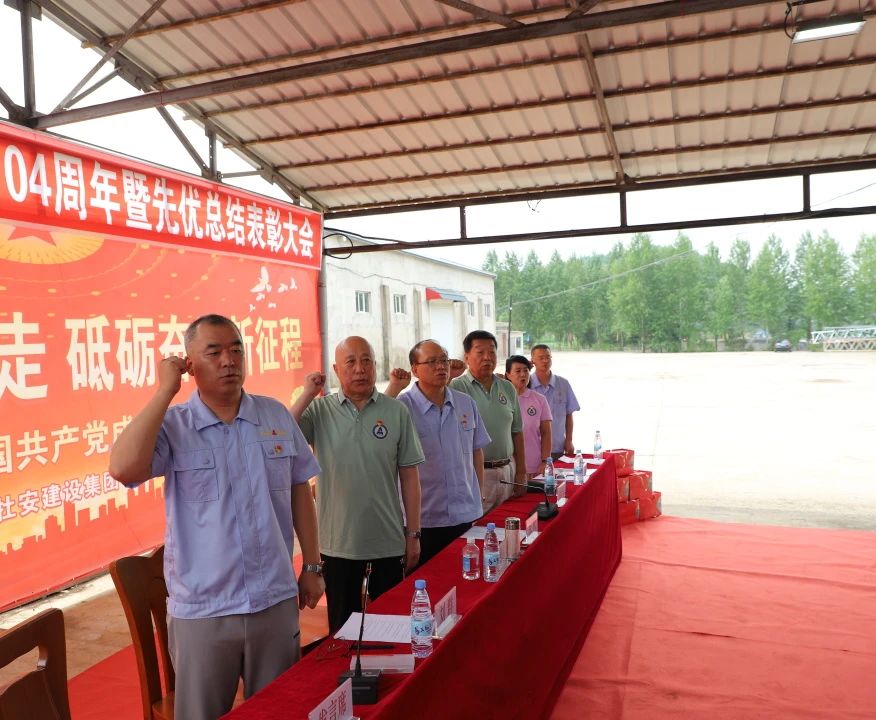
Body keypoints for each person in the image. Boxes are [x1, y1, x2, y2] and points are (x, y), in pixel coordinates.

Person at [108, 314, 323, 720]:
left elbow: (299, 488)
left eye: (236, 349)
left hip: (274, 600)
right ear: (189, 364)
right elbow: (123, 468)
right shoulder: (174, 425)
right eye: (214, 352)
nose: (229, 360)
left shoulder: (275, 416)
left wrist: (312, 565)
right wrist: (164, 390)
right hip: (205, 610)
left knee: (278, 711)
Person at [291, 336, 424, 633]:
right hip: (337, 544)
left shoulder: (396, 411)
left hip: (388, 540)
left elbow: (410, 476)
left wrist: (413, 533)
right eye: (350, 362)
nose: (360, 369)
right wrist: (308, 394)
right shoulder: (320, 411)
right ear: (336, 370)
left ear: (375, 365)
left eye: (366, 361)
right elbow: (281, 434)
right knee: (342, 631)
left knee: (391, 629)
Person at [385, 339, 491, 565]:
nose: (441, 366)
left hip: (464, 514)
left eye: (444, 360)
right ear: (415, 369)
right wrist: (393, 387)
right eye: (432, 362)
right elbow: (376, 428)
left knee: (464, 578)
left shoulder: (466, 403)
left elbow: (476, 451)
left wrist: (477, 496)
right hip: (422, 521)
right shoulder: (401, 407)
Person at [449, 330, 526, 513]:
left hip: (508, 471)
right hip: (476, 474)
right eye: (480, 352)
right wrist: (449, 376)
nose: (487, 357)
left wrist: (521, 471)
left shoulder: (507, 387)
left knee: (507, 523)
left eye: (491, 352)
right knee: (478, 525)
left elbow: (517, 432)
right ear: (467, 357)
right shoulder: (455, 387)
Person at [505, 355, 553, 479]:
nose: (523, 374)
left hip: (533, 466)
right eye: (518, 371)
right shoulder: (501, 399)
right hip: (507, 467)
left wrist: (545, 461)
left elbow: (546, 433)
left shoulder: (539, 399)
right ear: (508, 375)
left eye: (526, 370)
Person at [530, 344, 581, 458]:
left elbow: (569, 414)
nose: (545, 361)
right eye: (541, 358)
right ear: (532, 361)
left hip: (557, 447)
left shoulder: (563, 383)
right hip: (532, 449)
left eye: (548, 357)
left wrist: (569, 440)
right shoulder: (526, 384)